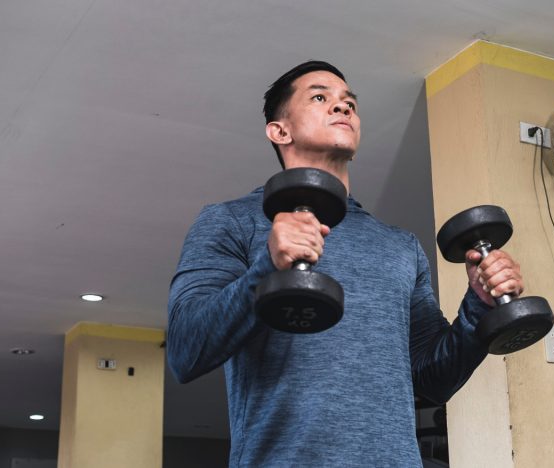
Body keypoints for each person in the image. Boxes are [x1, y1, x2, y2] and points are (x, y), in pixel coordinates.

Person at [167, 61, 524, 467]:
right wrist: (268, 265)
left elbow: (434, 377)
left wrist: (478, 305)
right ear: (279, 130)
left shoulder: (399, 246)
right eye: (320, 97)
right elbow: (185, 350)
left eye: (349, 102)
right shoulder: (230, 221)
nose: (343, 107)